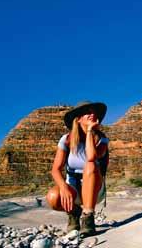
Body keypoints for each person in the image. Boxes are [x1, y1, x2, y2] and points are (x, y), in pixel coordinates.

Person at [46, 101, 109, 236]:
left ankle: (88, 216)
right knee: (53, 197)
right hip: (73, 186)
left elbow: (91, 157)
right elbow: (55, 169)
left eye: (94, 112)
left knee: (90, 165)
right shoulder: (66, 140)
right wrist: (63, 187)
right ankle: (74, 213)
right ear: (78, 118)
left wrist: (90, 131)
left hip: (94, 189)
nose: (92, 114)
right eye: (88, 112)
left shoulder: (102, 139)